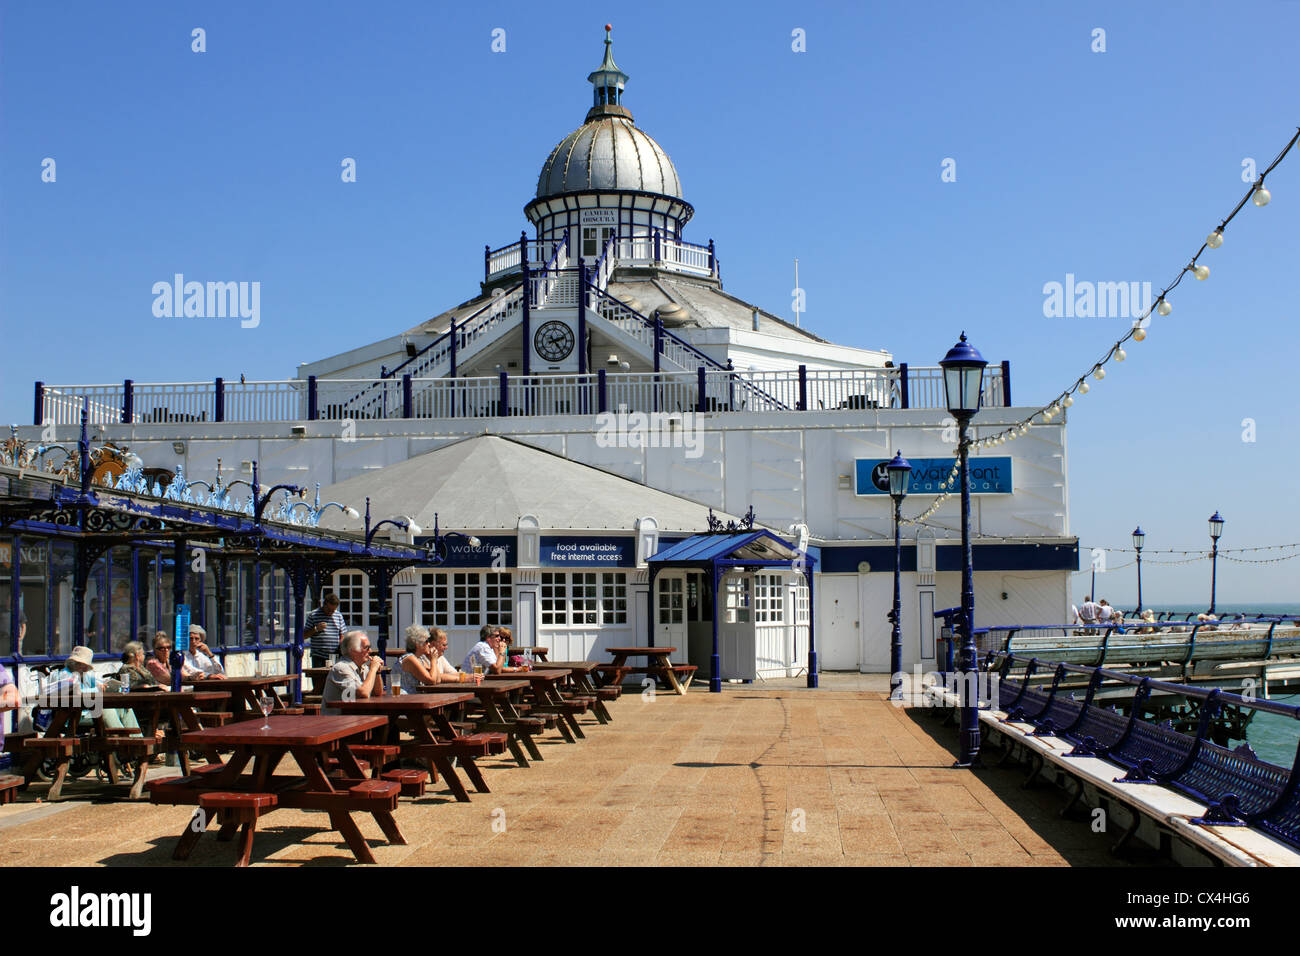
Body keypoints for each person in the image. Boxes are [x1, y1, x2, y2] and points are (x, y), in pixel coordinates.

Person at [321, 629, 385, 715]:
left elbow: (377, 693)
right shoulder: (341, 668)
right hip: (337, 722)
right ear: (353, 650)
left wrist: (377, 672)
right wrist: (373, 669)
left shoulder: (363, 667)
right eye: (367, 648)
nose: (370, 651)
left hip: (354, 718)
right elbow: (363, 693)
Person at [305, 591, 347, 669]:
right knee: (319, 678)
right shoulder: (313, 615)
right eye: (329, 610)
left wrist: (341, 645)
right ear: (324, 605)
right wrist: (316, 629)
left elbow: (342, 634)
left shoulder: (338, 616)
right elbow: (304, 635)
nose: (330, 613)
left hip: (334, 655)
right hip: (318, 655)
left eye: (333, 610)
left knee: (334, 678)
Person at [396, 624, 438, 693]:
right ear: (418, 644)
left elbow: (437, 679)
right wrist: (433, 661)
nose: (429, 644)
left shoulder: (420, 658)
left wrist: (433, 660)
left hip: (414, 698)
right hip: (402, 700)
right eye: (426, 641)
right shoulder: (410, 659)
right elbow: (431, 681)